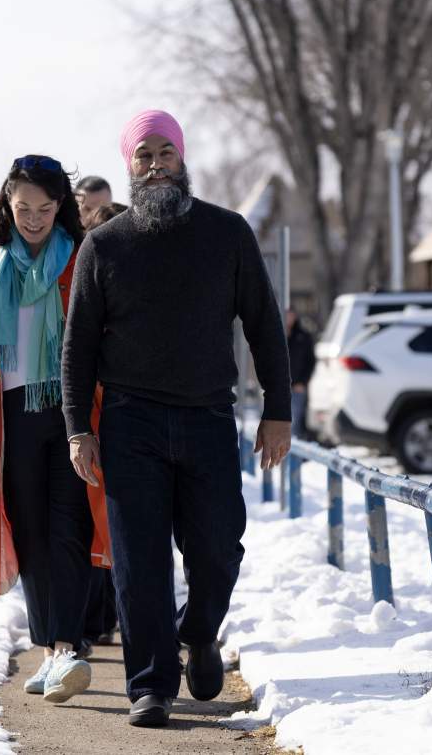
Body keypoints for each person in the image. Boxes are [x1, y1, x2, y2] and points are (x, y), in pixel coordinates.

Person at [62, 110, 292, 728]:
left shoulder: (227, 233)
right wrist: (78, 426)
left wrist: (278, 411)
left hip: (208, 417)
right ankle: (152, 685)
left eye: (166, 152)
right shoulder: (103, 246)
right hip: (131, 421)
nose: (156, 163)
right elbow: (78, 344)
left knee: (219, 548)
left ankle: (199, 631)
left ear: (183, 159)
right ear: (129, 167)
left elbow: (265, 326)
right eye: (144, 155)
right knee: (139, 562)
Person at [0, 154, 112, 705]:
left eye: (45, 208)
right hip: (9, 419)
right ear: (7, 203)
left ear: (60, 208)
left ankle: (67, 648)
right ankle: (50, 651)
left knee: (68, 528)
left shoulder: (81, 262)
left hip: (71, 416)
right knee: (29, 534)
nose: (33, 218)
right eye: (23, 207)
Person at [77, 199, 129, 651]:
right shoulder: (85, 279)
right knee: (97, 519)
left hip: (129, 412)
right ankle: (94, 620)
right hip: (93, 411)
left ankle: (114, 617)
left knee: (120, 524)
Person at [285, 309, 316, 440]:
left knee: (295, 423)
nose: (288, 318)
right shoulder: (276, 334)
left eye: (290, 314)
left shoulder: (303, 336)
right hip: (279, 387)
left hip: (297, 386)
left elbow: (311, 361)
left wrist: (303, 382)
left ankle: (293, 458)